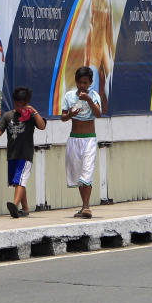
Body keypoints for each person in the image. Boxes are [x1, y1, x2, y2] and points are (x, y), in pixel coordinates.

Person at [0, 86, 47, 218]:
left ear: (27, 103)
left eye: (23, 104)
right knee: (18, 181)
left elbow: (42, 126)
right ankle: (25, 208)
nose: (20, 107)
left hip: (25, 155)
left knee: (20, 180)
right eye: (17, 104)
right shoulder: (8, 115)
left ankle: (15, 205)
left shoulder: (31, 116)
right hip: (12, 155)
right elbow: (0, 128)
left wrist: (34, 111)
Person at [61, 66, 103, 218]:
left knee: (87, 172)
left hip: (89, 139)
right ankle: (84, 206)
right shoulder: (69, 96)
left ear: (90, 82)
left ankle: (86, 206)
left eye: (85, 83)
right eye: (80, 82)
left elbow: (98, 114)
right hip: (74, 139)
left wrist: (89, 100)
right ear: (76, 82)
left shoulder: (94, 95)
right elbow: (63, 117)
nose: (82, 86)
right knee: (79, 174)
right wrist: (70, 114)